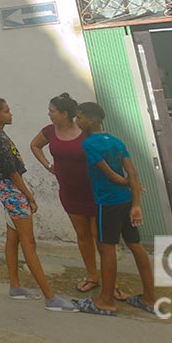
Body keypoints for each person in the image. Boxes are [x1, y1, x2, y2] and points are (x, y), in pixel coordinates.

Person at [0, 92, 78, 312]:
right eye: (6, 111)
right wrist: (29, 196)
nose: (10, 114)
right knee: (29, 243)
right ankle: (50, 297)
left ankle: (15, 286)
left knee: (13, 239)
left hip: (9, 188)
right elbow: (12, 171)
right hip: (13, 189)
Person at [75, 101, 157, 316]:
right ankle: (149, 298)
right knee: (136, 246)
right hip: (127, 201)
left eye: (79, 117)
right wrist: (136, 200)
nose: (77, 121)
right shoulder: (116, 141)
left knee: (106, 248)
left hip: (107, 203)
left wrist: (130, 184)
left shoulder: (89, 144)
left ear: (91, 120)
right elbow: (133, 173)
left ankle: (105, 300)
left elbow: (110, 175)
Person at [30, 93, 101, 294]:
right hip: (69, 192)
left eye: (52, 111)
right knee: (82, 235)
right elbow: (35, 145)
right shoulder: (50, 131)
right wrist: (48, 166)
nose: (49, 114)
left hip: (94, 190)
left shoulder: (85, 130)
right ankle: (92, 276)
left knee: (99, 236)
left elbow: (105, 149)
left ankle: (111, 281)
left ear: (64, 113)